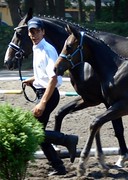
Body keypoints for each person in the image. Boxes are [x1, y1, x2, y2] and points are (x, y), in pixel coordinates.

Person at [23, 17, 79, 176]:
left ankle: (67, 139)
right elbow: (46, 74)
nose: (34, 35)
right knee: (39, 135)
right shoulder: (36, 47)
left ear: (43, 32)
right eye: (31, 32)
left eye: (37, 31)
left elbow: (54, 78)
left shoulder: (47, 49)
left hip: (49, 94)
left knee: (34, 132)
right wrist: (34, 79)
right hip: (43, 91)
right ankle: (59, 167)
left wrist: (42, 103)